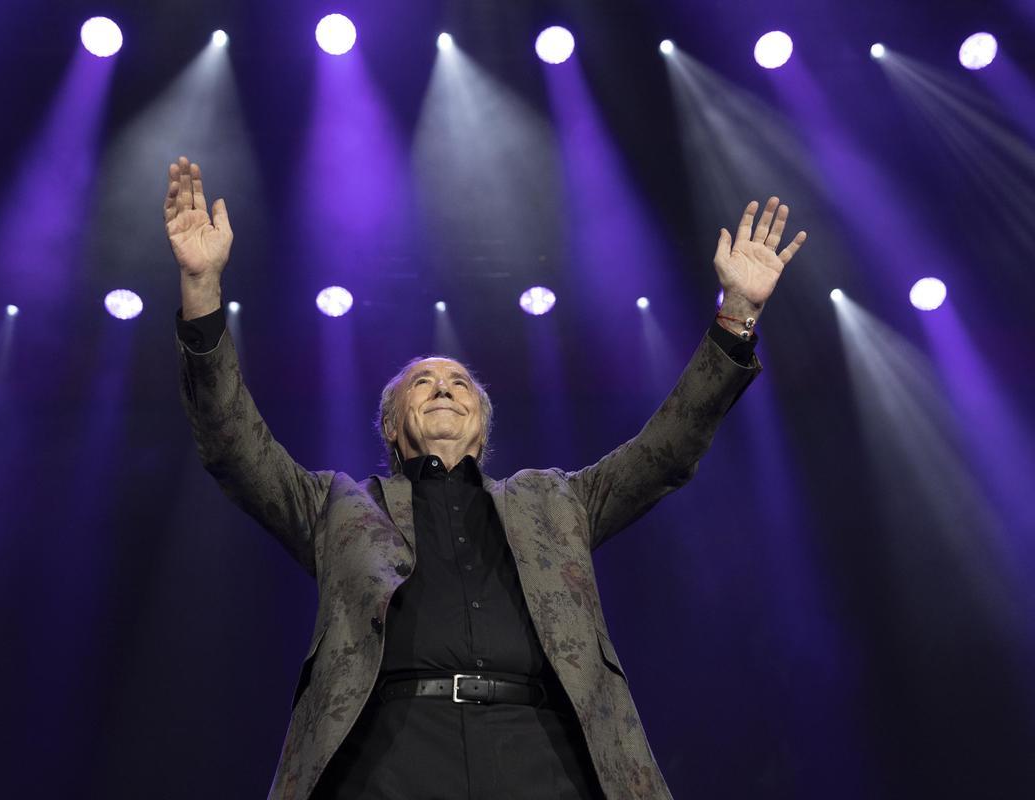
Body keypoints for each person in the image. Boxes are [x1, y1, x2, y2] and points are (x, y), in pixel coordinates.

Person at [164, 155, 806, 799]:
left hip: (543, 755)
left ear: (481, 426)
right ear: (391, 424)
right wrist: (202, 290)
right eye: (423, 382)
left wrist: (736, 315)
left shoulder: (556, 500)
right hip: (388, 761)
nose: (443, 387)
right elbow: (233, 446)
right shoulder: (337, 505)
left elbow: (667, 449)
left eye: (459, 384)